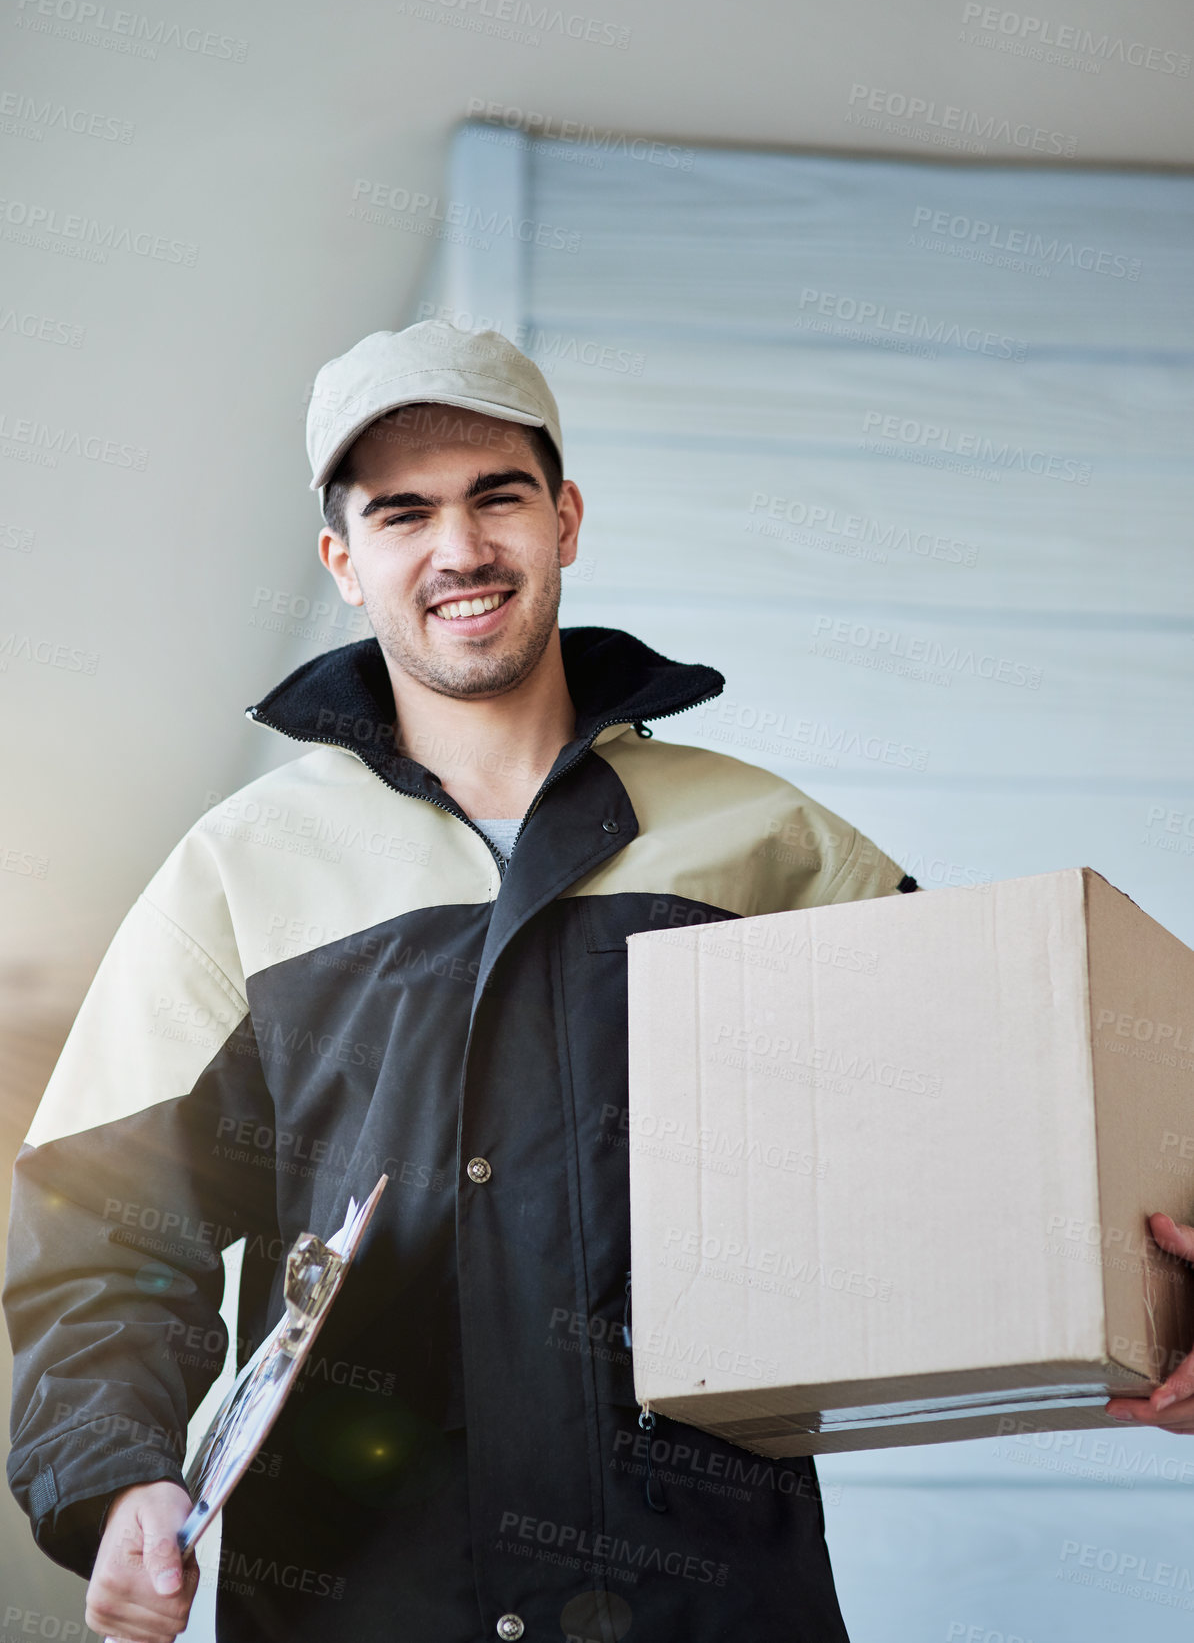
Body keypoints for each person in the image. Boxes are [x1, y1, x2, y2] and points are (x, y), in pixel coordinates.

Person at [7, 320, 1181, 1643]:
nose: (458, 549)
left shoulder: (767, 842)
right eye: (402, 512)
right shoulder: (242, 872)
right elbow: (104, 1234)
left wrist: (1176, 1303)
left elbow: (1019, 1126)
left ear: (564, 517)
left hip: (706, 1600)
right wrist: (114, 1475)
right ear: (344, 560)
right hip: (366, 1604)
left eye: (495, 495)